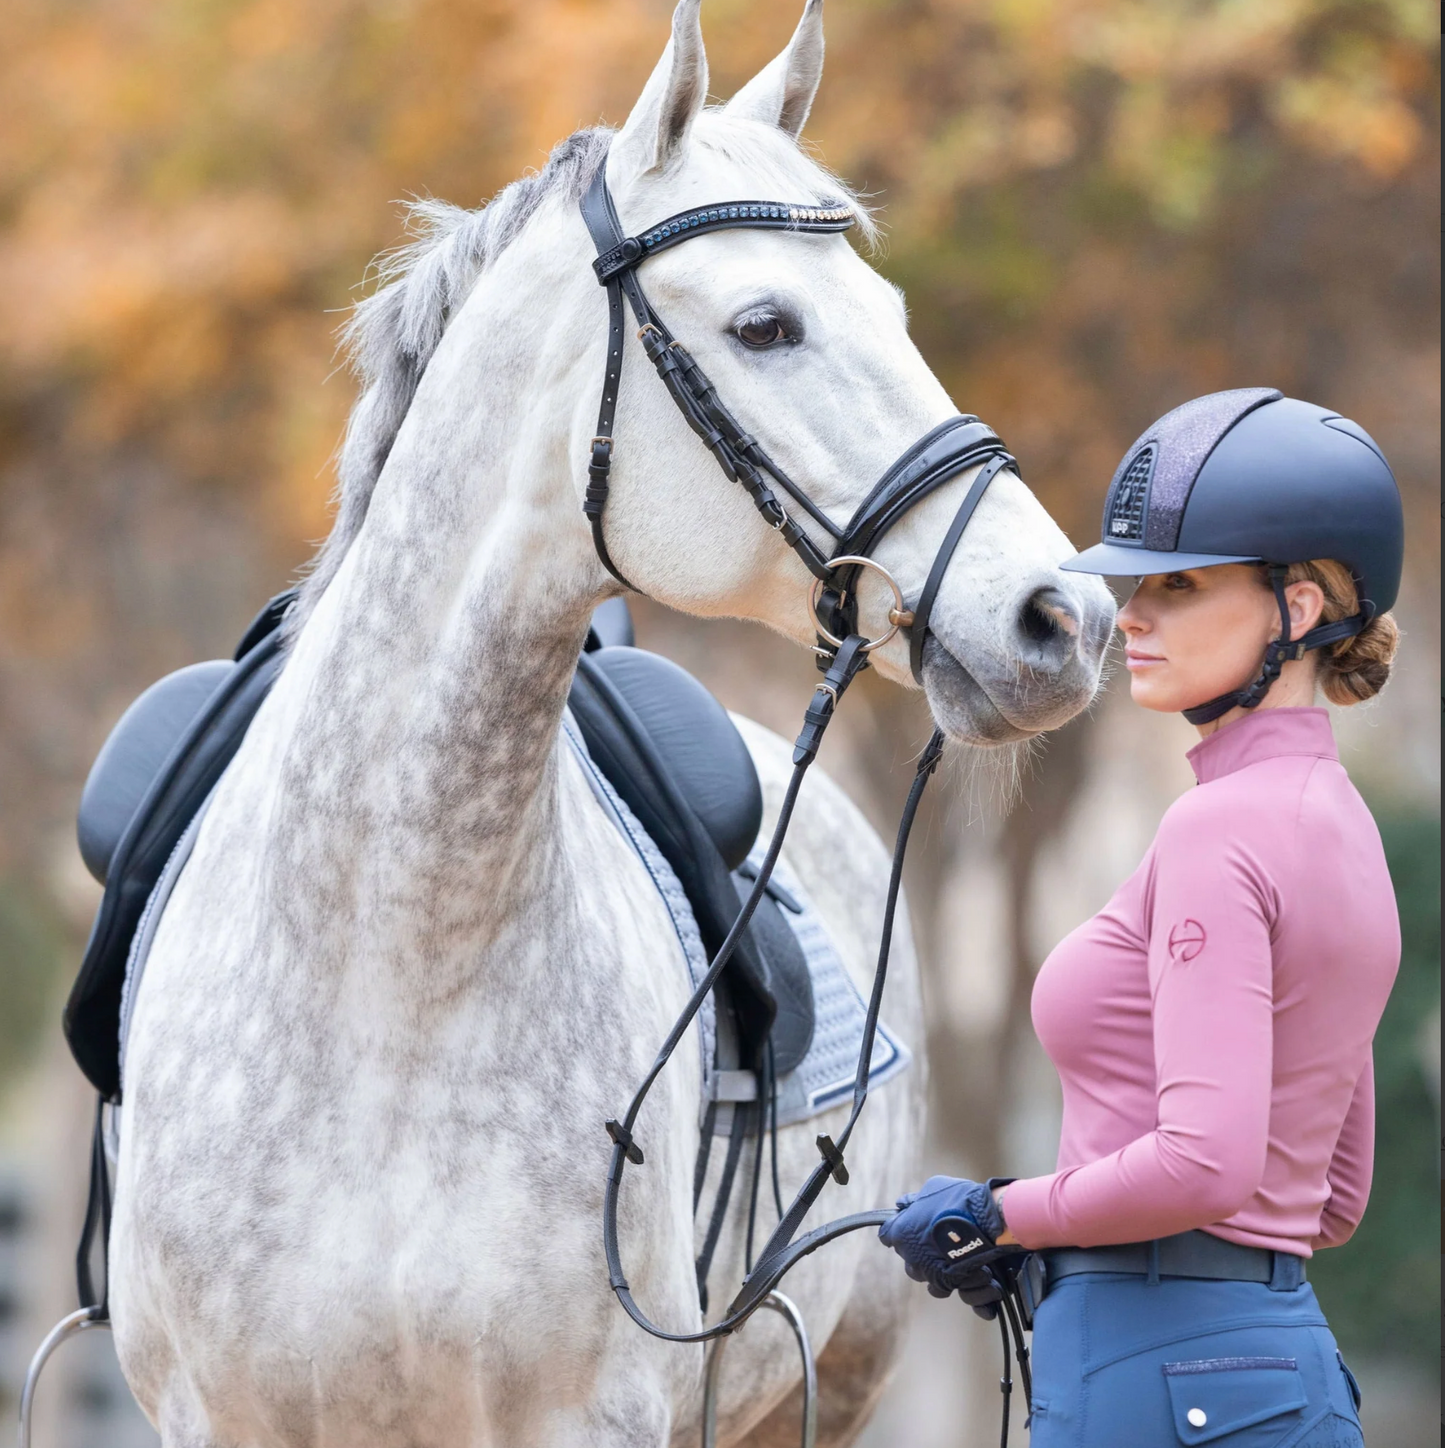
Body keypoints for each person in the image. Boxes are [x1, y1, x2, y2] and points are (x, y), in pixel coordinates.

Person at [880, 389, 1404, 1447]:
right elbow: (1331, 1195)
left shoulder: (1216, 829)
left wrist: (1000, 1212)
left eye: (1178, 583)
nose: (1131, 617)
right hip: (1284, 1371)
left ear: (1296, 608)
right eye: (1135, 585)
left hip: (1153, 1377)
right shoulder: (1345, 831)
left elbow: (1205, 1162)